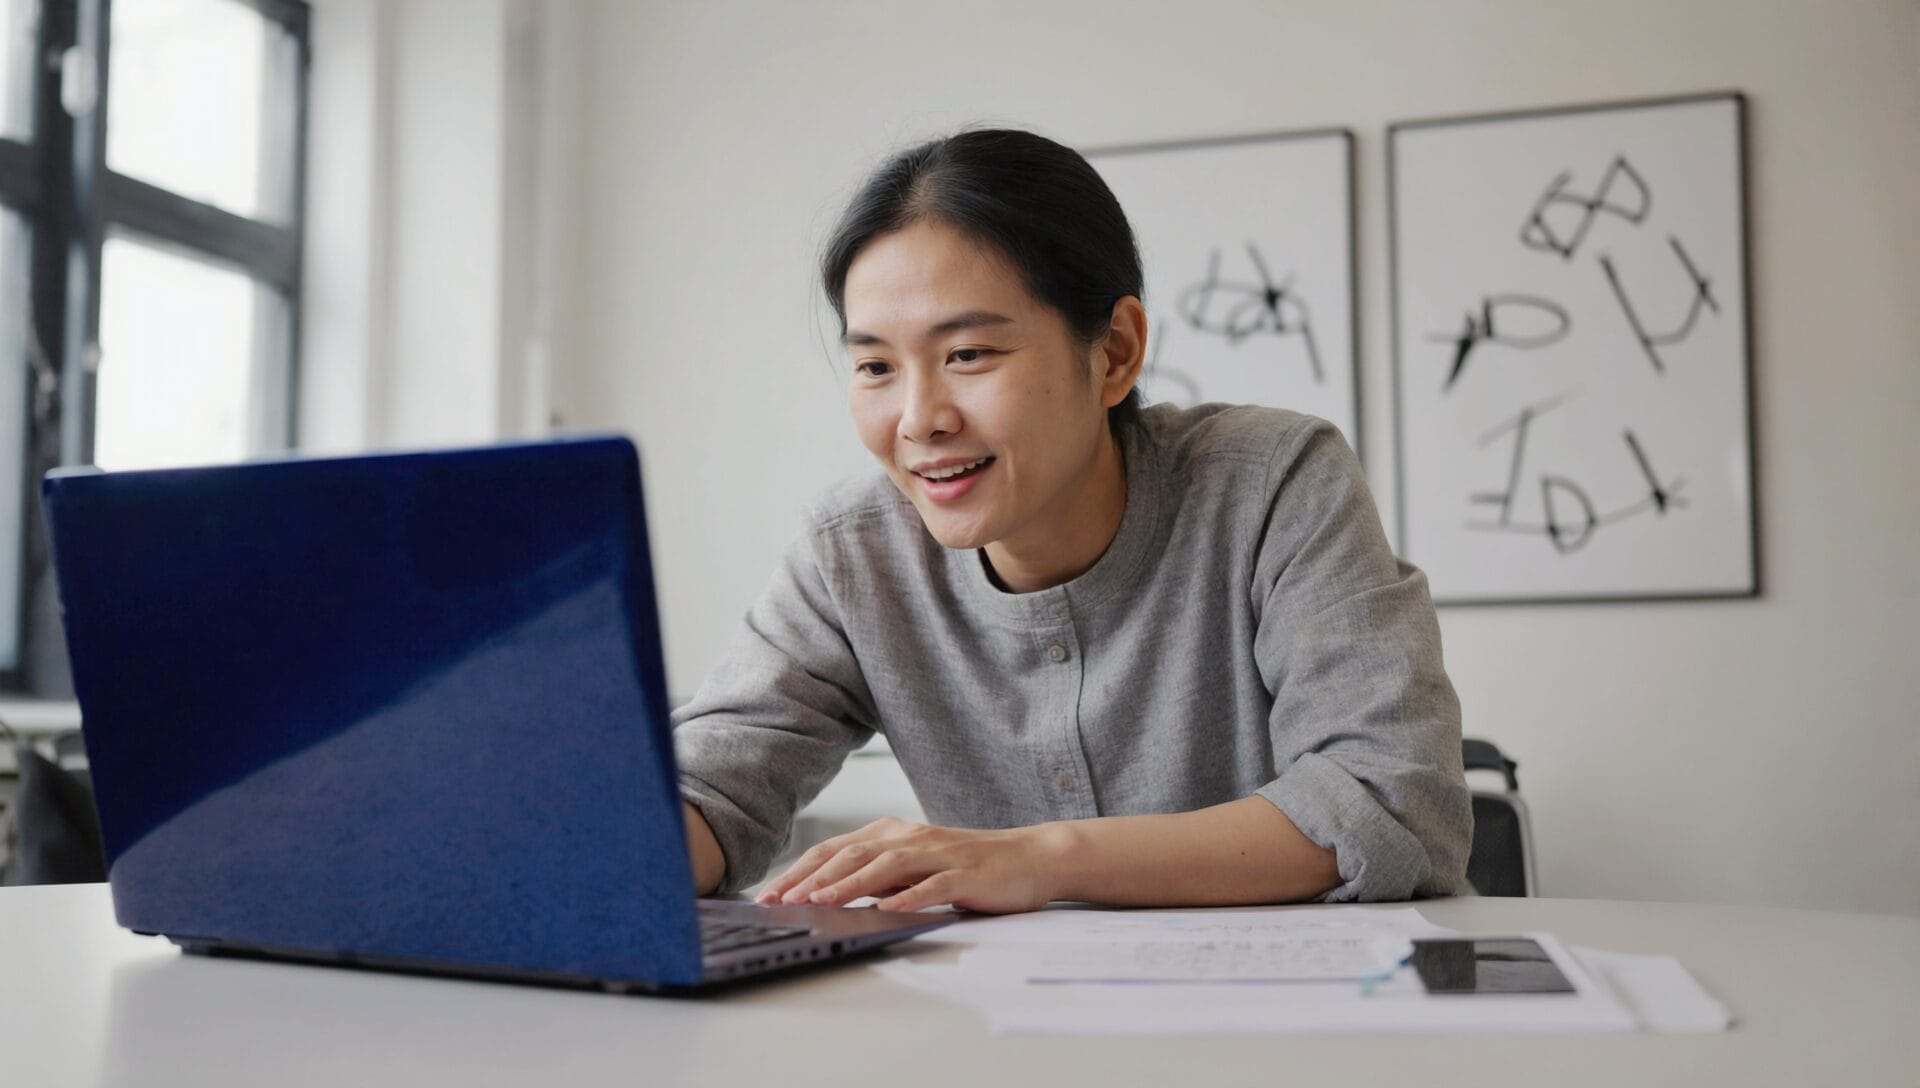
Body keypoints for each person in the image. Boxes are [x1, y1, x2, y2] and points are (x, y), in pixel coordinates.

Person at [673, 128, 1471, 915]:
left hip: (1315, 1016)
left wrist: (1039, 859)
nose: (919, 420)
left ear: (1115, 352)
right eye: (876, 366)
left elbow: (1391, 798)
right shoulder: (854, 556)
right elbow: (709, 789)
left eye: (969, 355)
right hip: (1026, 1032)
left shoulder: (1270, 482)